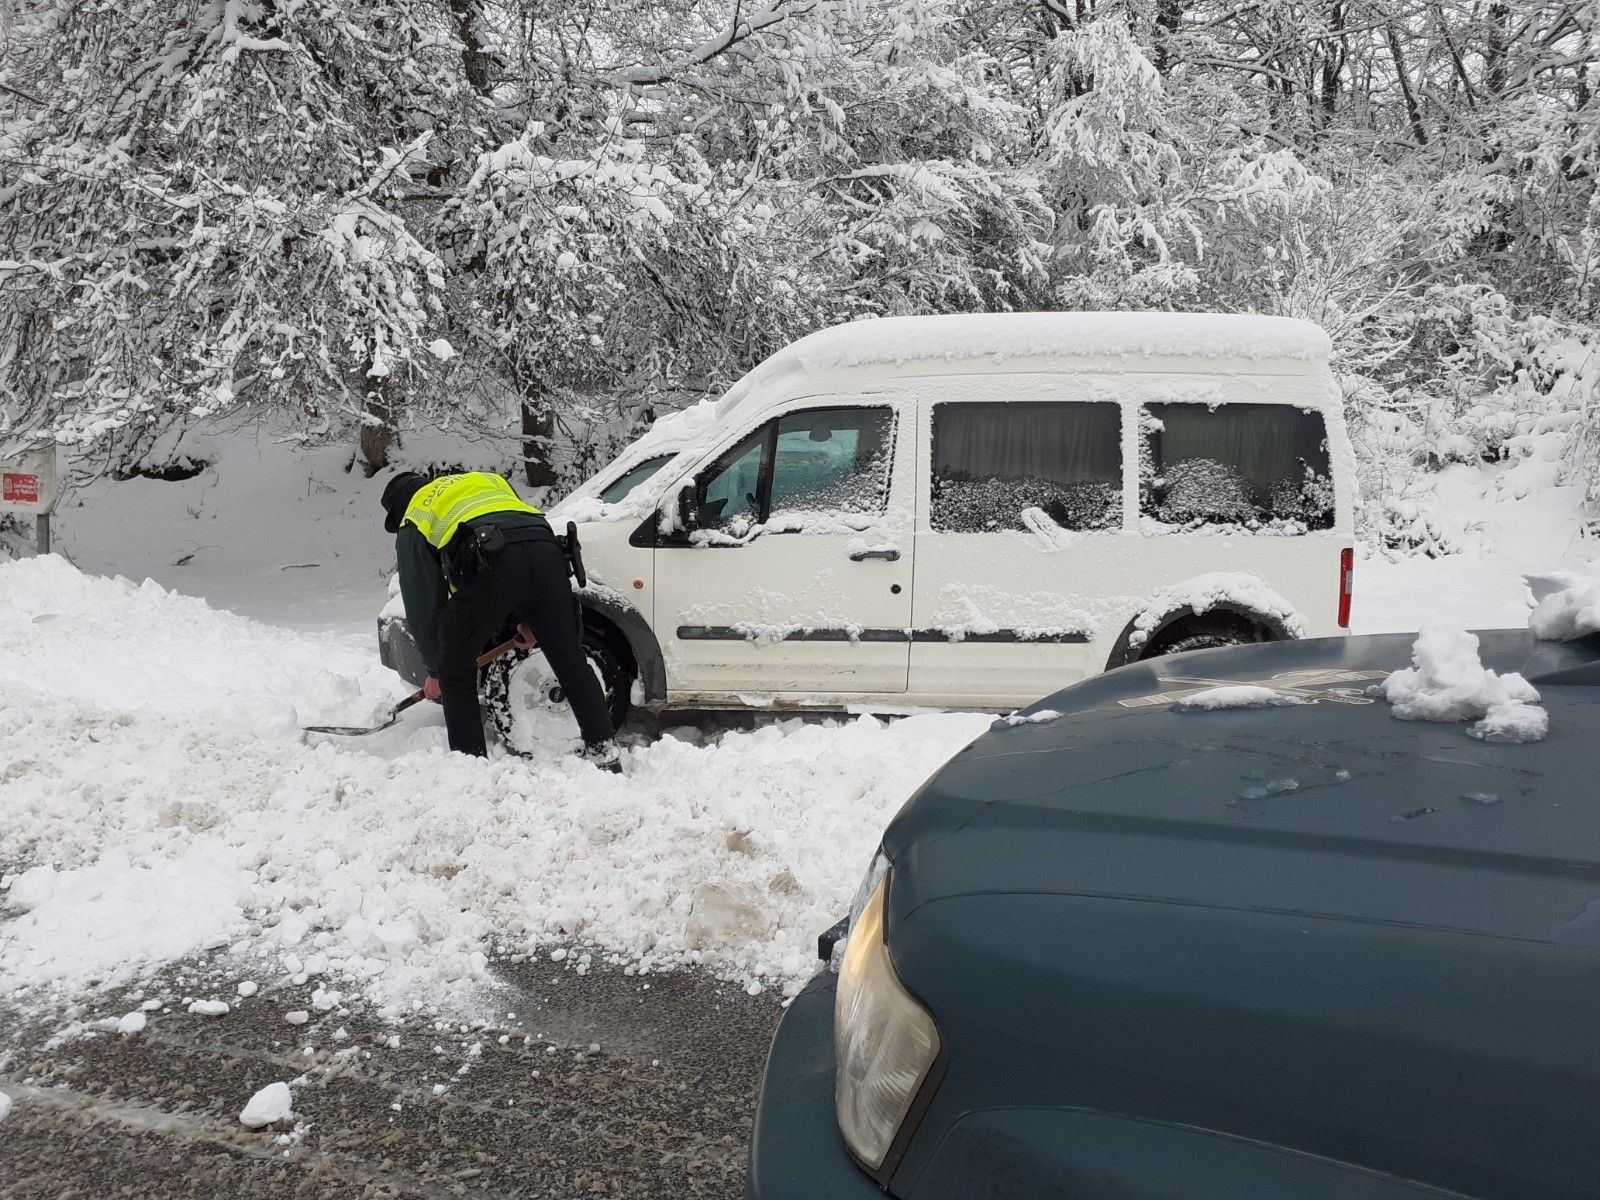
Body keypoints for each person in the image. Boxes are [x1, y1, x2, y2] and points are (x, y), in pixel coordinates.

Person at [380, 470, 619, 769]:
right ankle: (606, 757)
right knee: (571, 661)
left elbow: (424, 603)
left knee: (455, 668)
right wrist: (529, 621)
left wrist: (436, 670)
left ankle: (471, 768)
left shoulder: (414, 517)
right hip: (549, 553)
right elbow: (519, 542)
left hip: (495, 562)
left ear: (398, 509)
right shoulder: (485, 481)